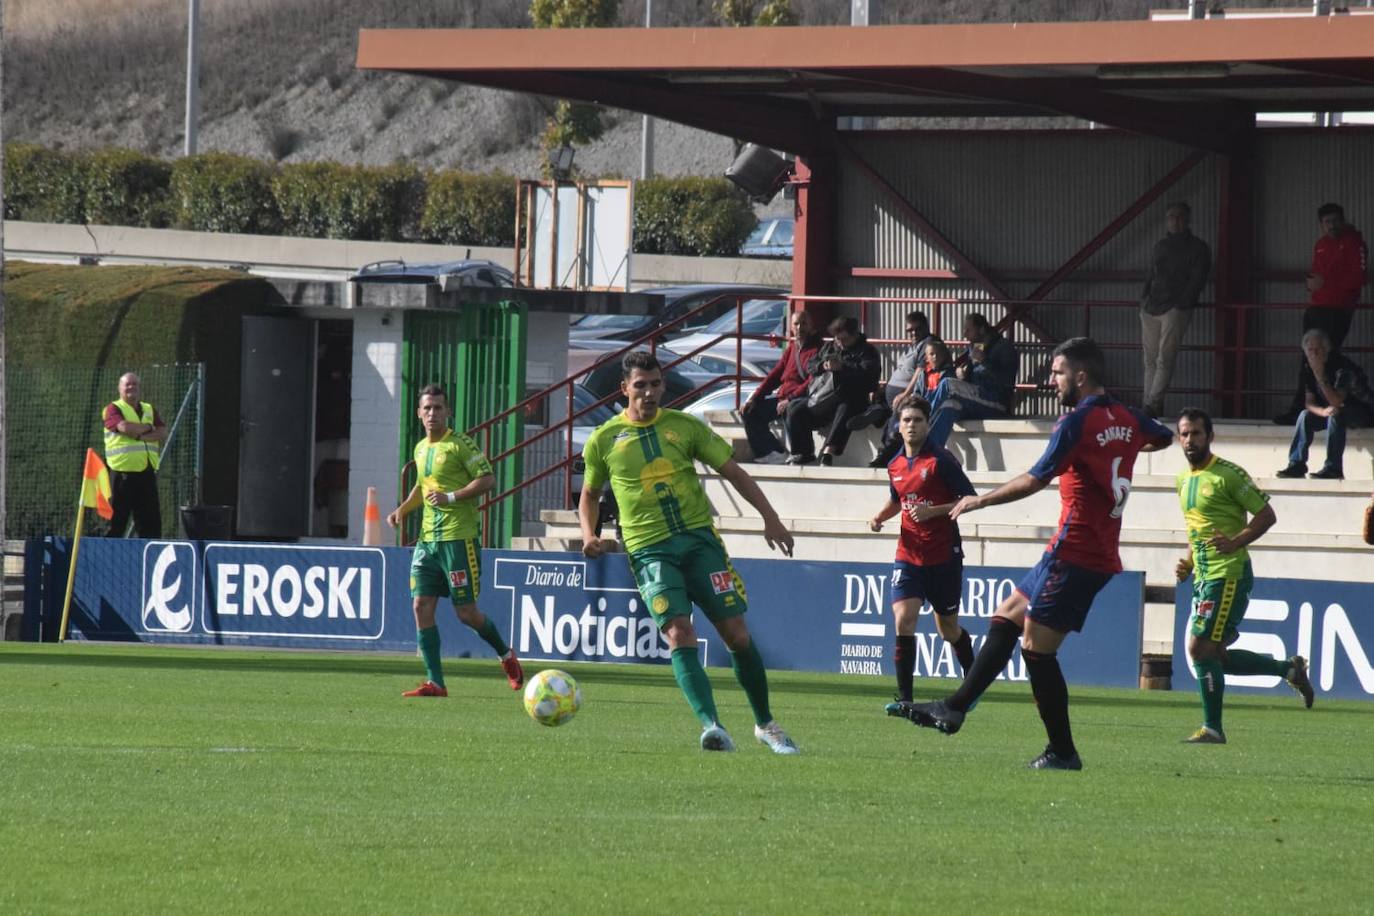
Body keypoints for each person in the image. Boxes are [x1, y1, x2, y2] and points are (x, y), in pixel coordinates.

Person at [902, 338, 1174, 770]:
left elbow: (1035, 479)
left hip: (1077, 551)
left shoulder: (1074, 423)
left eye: (1058, 372)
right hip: (1080, 549)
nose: (1051, 379)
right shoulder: (1126, 417)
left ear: (1080, 376)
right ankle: (955, 707)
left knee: (1036, 649)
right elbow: (1163, 436)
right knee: (1007, 614)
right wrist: (1119, 448)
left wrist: (979, 500)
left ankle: (1062, 751)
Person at [579, 350, 800, 754]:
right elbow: (590, 493)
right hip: (649, 551)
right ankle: (711, 725)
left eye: (656, 384)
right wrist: (587, 533)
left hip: (700, 542)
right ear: (624, 389)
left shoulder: (685, 427)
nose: (649, 393)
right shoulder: (604, 439)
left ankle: (766, 724)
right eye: (641, 385)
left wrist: (771, 518)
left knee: (736, 634)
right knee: (679, 632)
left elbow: (733, 471)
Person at [1174, 408, 1314, 744]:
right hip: (1204, 575)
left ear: (1210, 436)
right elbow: (1198, 529)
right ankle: (1290, 670)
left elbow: (1267, 515)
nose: (1190, 440)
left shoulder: (1229, 476)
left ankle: (1213, 728)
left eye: (1196, 433)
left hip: (1229, 574)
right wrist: (1190, 562)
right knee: (1214, 655)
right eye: (1184, 434)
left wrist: (1236, 542)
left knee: (1198, 648)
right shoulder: (1183, 480)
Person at [386, 384, 524, 698]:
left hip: (458, 541)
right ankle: (436, 682)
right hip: (427, 542)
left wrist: (451, 496)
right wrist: (402, 510)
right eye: (427, 408)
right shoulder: (421, 448)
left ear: (448, 412)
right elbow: (422, 488)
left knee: (466, 613)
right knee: (420, 605)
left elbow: (488, 479)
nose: (433, 413)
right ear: (419, 414)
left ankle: (506, 655)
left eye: (438, 407)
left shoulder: (460, 445)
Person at [866, 399, 977, 717]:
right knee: (903, 618)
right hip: (909, 555)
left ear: (928, 424)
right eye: (906, 420)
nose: (911, 425)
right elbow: (897, 500)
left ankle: (973, 681)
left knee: (948, 631)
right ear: (898, 426)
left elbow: (968, 499)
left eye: (917, 419)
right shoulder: (895, 465)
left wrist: (933, 511)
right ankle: (905, 698)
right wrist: (879, 517)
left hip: (943, 556)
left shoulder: (941, 460)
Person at [1277, 203, 1368, 423]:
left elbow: (1356, 280)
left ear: (1343, 220)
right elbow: (1316, 275)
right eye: (1327, 222)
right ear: (1321, 225)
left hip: (1338, 310)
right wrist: (1312, 284)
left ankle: (1330, 408)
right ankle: (1302, 409)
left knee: (1328, 359)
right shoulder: (1321, 244)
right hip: (1316, 308)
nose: (1332, 226)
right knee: (1307, 359)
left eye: (1336, 221)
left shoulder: (1355, 244)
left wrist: (1325, 283)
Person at [1140, 201, 1211, 418]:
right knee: (1151, 359)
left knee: (1164, 358)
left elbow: (1198, 279)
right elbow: (1151, 273)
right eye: (1171, 217)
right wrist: (1144, 299)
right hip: (1152, 306)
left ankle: (1152, 403)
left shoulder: (1199, 248)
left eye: (1180, 217)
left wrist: (1182, 303)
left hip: (1174, 308)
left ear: (1188, 220)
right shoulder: (1160, 246)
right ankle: (1149, 403)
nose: (1175, 221)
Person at [1275, 328, 1374, 480]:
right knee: (1304, 415)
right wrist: (1322, 412)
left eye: (1317, 350)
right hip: (1331, 410)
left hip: (1360, 411)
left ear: (1326, 350)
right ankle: (1296, 464)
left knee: (1335, 414)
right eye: (1310, 350)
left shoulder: (1342, 367)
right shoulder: (1309, 367)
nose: (1313, 354)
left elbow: (1336, 401)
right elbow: (1309, 402)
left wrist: (1320, 375)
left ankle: (1333, 468)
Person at [784, 315, 881, 465]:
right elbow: (811, 365)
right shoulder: (831, 347)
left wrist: (843, 368)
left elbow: (868, 375)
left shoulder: (867, 351)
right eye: (837, 339)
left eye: (844, 339)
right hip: (826, 397)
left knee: (846, 407)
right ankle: (802, 452)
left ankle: (829, 451)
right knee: (794, 409)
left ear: (854, 335)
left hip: (853, 397)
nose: (840, 343)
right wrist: (823, 366)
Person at [740, 308, 822, 465]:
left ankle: (801, 453)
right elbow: (775, 375)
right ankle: (774, 452)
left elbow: (813, 381)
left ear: (811, 325)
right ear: (791, 327)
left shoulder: (818, 349)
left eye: (804, 323)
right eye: (796, 324)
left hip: (800, 398)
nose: (800, 328)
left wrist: (791, 398)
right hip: (782, 397)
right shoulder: (792, 348)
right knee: (750, 412)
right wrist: (756, 397)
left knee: (791, 409)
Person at [925, 313, 1018, 449]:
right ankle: (930, 450)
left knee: (947, 384)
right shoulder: (977, 346)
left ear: (981, 330)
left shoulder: (1004, 348)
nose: (965, 334)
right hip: (976, 401)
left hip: (996, 403)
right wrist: (963, 375)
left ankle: (922, 421)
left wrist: (984, 361)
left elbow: (1006, 381)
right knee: (948, 405)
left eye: (968, 330)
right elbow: (973, 377)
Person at [103, 372, 167, 538]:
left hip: (146, 473)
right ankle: (107, 560)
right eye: (127, 384)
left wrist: (139, 434)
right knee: (115, 524)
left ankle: (146, 559)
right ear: (120, 388)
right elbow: (124, 427)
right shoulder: (113, 409)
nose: (131, 387)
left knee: (150, 524)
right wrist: (148, 427)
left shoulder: (149, 409)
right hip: (121, 475)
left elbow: (161, 432)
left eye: (134, 384)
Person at [847, 311, 934, 433]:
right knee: (873, 400)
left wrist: (905, 394)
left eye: (918, 329)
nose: (913, 333)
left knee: (892, 425)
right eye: (910, 330)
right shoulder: (915, 344)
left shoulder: (928, 343)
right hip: (894, 394)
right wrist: (883, 389)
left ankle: (881, 416)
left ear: (926, 327)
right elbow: (901, 370)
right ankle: (877, 412)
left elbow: (920, 372)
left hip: (907, 394)